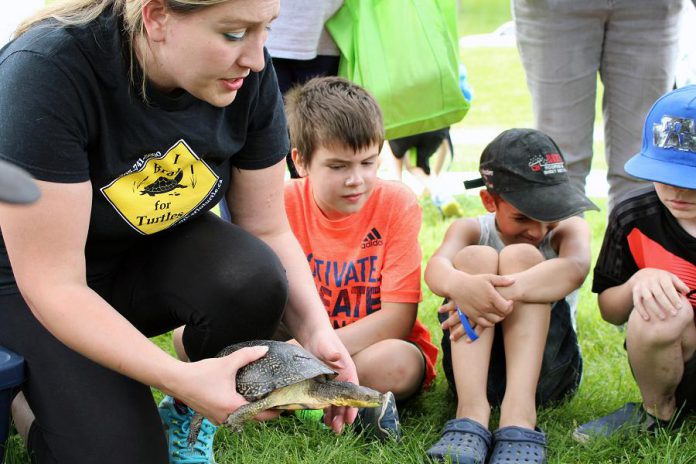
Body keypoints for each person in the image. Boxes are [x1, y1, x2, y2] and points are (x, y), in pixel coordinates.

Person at [0, 1, 359, 463]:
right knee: (123, 455)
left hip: (135, 258)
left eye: (266, 29)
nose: (255, 57)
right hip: (29, 281)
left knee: (251, 276)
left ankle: (184, 414)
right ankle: (28, 405)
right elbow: (53, 284)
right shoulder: (46, 74)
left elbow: (267, 228)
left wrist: (316, 331)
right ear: (157, 18)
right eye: (233, 33)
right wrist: (175, 374)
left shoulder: (245, 71)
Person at [424, 129, 598, 464]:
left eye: (549, 214)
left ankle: (520, 414)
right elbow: (435, 270)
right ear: (490, 201)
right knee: (473, 260)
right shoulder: (470, 228)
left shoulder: (571, 229)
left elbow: (576, 268)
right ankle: (471, 412)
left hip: (547, 374)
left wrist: (492, 295)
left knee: (524, 256)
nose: (537, 231)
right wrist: (463, 287)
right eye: (522, 216)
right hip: (477, 376)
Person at [282, 76, 439, 440]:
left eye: (368, 162)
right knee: (188, 339)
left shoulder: (396, 203)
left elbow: (397, 319)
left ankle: (297, 399)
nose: (357, 179)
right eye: (338, 167)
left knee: (398, 366)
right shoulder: (282, 202)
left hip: (370, 349)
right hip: (298, 337)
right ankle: (330, 401)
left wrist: (306, 353)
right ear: (301, 161)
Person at [573, 86, 696, 442]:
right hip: (678, 359)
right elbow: (611, 311)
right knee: (657, 310)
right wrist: (638, 281)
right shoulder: (633, 216)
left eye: (690, 179)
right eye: (664, 174)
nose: (677, 191)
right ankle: (658, 413)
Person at [513, 0, 684, 211]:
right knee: (559, 161)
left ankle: (631, 243)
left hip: (650, 7)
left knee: (642, 159)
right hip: (555, 7)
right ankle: (566, 243)